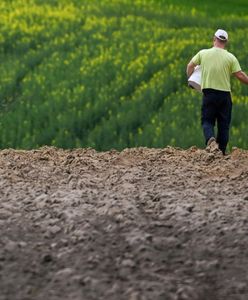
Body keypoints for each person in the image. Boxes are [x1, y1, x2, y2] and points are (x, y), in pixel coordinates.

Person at [186, 29, 248, 155]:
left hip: (209, 94)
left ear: (214, 39)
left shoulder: (203, 53)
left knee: (207, 121)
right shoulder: (230, 57)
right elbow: (240, 75)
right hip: (225, 96)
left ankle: (210, 140)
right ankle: (222, 153)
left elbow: (190, 66)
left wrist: (191, 80)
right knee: (224, 125)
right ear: (226, 42)